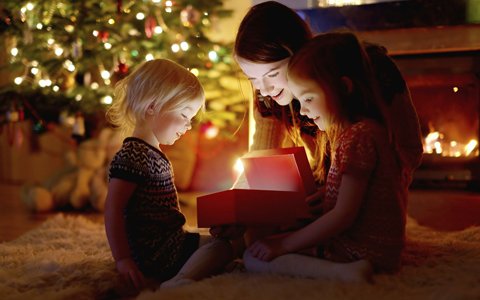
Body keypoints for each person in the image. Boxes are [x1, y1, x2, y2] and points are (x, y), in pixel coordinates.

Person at [243, 32, 407, 281]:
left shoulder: (358, 137)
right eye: (299, 101)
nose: (304, 111)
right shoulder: (364, 131)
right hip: (376, 248)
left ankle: (342, 272)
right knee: (267, 243)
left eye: (308, 99)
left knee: (252, 258)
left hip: (358, 250)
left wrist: (284, 245)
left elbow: (343, 215)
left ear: (343, 87)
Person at [104, 59, 234, 293]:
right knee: (225, 247)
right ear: (152, 106)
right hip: (156, 252)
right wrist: (123, 259)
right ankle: (182, 278)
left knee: (215, 239)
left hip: (170, 240)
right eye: (185, 115)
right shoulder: (133, 155)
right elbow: (113, 209)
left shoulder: (151, 152)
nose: (188, 126)